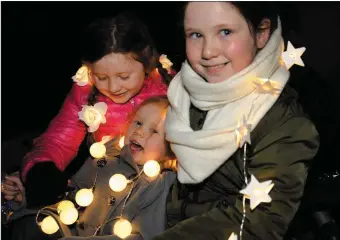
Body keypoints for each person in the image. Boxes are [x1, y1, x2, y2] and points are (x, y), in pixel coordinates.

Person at [154, 2, 320, 240]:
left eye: (225, 32)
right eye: (196, 35)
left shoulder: (285, 125)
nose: (208, 52)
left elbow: (258, 222)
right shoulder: (182, 93)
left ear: (261, 33)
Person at [17, 12, 174, 208]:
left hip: (158, 191)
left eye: (124, 76)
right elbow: (59, 139)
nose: (114, 87)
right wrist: (41, 170)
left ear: (147, 63)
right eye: (101, 77)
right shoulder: (85, 93)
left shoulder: (170, 89)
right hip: (105, 189)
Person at [6, 96, 177, 240]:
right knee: (29, 227)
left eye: (154, 131)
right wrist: (29, 200)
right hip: (67, 230)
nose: (139, 132)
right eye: (138, 122)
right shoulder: (105, 156)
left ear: (172, 148)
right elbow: (70, 197)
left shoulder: (159, 184)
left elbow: (144, 234)